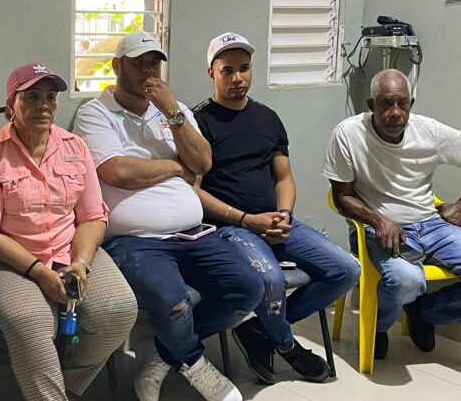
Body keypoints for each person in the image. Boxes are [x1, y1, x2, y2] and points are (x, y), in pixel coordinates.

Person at [74, 32, 264, 401]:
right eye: (139, 62)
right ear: (117, 66)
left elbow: (202, 162)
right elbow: (118, 172)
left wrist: (171, 110)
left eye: (154, 63)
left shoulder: (175, 111)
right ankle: (195, 364)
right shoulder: (95, 113)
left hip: (194, 233)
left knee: (249, 288)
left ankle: (165, 355)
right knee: (173, 301)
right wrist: (177, 167)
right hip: (134, 241)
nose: (148, 70)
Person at [0, 63, 137, 401]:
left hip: (68, 249)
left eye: (50, 97)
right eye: (32, 97)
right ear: (11, 105)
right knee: (32, 321)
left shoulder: (75, 147)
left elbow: (92, 217)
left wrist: (81, 263)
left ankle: (63, 385)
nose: (43, 105)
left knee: (118, 310)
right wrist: (39, 273)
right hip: (0, 257)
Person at [192, 31, 360, 384]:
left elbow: (284, 178)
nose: (237, 78)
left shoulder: (267, 118)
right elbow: (193, 192)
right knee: (270, 279)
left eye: (244, 68)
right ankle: (287, 345)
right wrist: (245, 219)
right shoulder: (198, 122)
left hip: (277, 223)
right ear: (211, 74)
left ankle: (259, 330)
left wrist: (285, 215)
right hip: (230, 228)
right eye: (227, 71)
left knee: (346, 269)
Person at [323, 68, 461, 358]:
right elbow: (342, 196)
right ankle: (379, 326)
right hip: (379, 228)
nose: (395, 112)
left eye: (402, 103)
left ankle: (425, 312)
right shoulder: (348, 133)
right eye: (386, 103)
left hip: (432, 223)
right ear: (371, 105)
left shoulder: (429, 131)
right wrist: (378, 220)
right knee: (406, 280)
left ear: (411, 104)